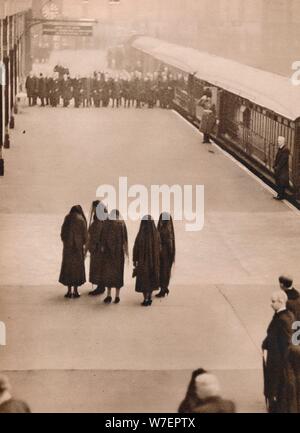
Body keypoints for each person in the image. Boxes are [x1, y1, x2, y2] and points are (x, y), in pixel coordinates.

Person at [262, 290, 297, 413]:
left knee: (280, 402)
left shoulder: (282, 319)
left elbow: (286, 345)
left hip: (280, 369)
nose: (271, 304)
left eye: (273, 301)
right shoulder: (285, 316)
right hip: (281, 368)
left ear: (281, 301)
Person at [59, 205, 88, 299]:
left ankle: (68, 291)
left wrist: (66, 243)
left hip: (68, 249)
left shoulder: (67, 218)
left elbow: (62, 233)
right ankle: (75, 291)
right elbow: (85, 236)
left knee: (68, 269)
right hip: (78, 249)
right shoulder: (82, 220)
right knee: (77, 269)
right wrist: (82, 244)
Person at [101, 210, 128, 304]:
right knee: (118, 274)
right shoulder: (121, 224)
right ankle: (117, 296)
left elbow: (103, 240)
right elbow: (125, 240)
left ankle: (108, 295)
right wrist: (126, 253)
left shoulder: (106, 224)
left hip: (108, 254)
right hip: (119, 254)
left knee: (108, 274)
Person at [133, 215, 160, 307]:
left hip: (143, 262)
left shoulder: (141, 235)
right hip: (154, 262)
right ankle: (149, 297)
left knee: (144, 280)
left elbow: (136, 248)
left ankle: (145, 298)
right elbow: (159, 249)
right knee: (151, 279)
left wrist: (135, 260)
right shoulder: (156, 234)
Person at [87, 201, 108, 297]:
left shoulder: (99, 220)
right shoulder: (104, 218)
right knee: (101, 268)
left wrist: (91, 247)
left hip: (98, 249)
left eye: (94, 208)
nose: (93, 210)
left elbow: (96, 235)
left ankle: (100, 287)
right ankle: (101, 286)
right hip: (102, 249)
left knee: (99, 268)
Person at [156, 212, 175, 298]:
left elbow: (167, 243)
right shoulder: (168, 229)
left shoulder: (164, 230)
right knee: (165, 272)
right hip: (166, 255)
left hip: (164, 255)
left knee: (163, 272)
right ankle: (164, 288)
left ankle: (163, 289)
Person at [273, 136, 290, 200]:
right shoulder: (281, 148)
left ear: (283, 142)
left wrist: (277, 168)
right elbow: (277, 158)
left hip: (282, 170)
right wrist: (274, 166)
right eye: (278, 140)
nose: (278, 142)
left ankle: (280, 196)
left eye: (279, 141)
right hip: (279, 169)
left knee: (281, 182)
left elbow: (282, 161)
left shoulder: (285, 150)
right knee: (279, 182)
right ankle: (280, 195)